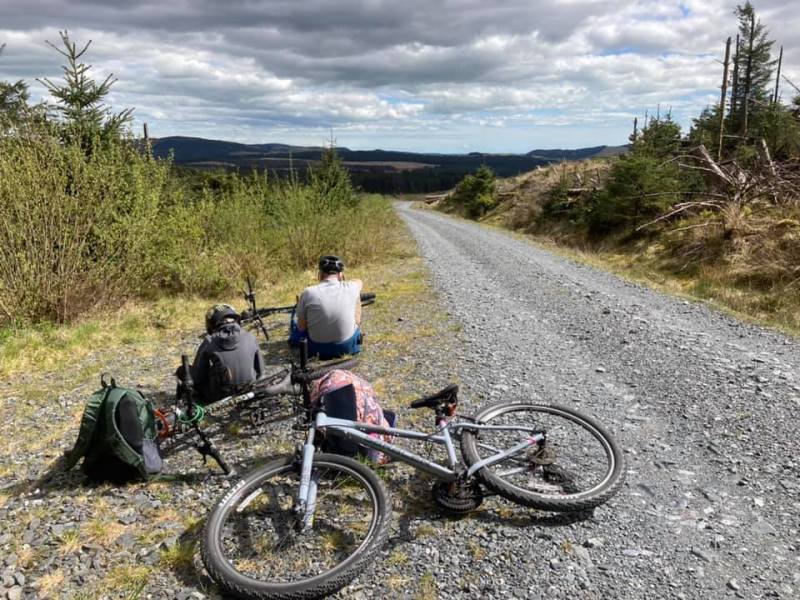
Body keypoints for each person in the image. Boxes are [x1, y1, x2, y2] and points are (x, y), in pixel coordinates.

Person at [190, 303, 267, 404]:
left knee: (184, 371)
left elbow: (197, 377)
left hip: (220, 396)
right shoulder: (250, 337)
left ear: (211, 324)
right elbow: (261, 372)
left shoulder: (209, 341)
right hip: (250, 390)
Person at [290, 255, 363, 359]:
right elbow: (359, 282)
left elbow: (301, 327)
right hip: (347, 346)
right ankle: (357, 323)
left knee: (298, 322)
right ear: (340, 275)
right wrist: (344, 281)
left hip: (316, 349)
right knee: (357, 295)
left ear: (319, 275)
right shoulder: (351, 287)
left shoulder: (308, 292)